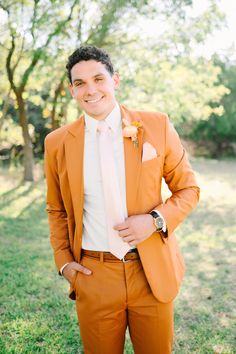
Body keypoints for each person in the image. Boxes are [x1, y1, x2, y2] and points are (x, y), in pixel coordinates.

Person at [44, 45, 200, 354]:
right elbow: (56, 208)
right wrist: (64, 262)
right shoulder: (57, 142)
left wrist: (155, 220)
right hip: (94, 273)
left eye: (98, 79)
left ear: (115, 80)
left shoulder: (156, 125)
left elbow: (188, 189)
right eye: (80, 83)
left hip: (151, 270)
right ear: (72, 91)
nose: (91, 90)